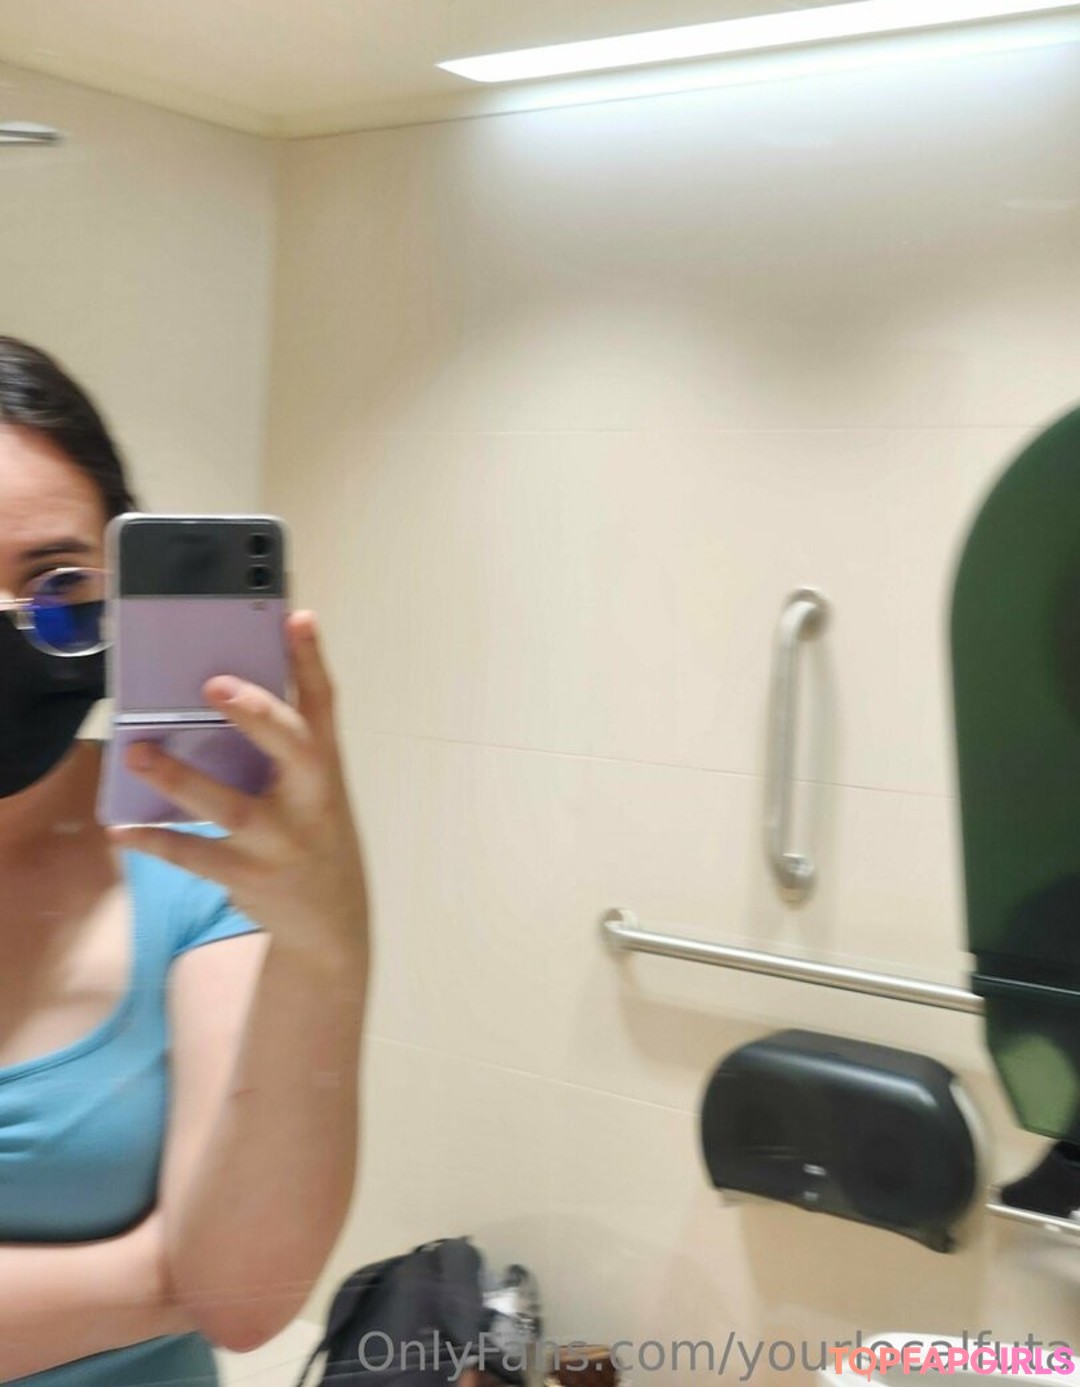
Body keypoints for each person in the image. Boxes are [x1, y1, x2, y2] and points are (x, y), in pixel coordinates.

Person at [0, 336, 370, 1384]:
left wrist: (329, 946)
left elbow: (246, 1297)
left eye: (56, 584)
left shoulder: (206, 860)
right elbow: (209, 1286)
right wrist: (161, 1275)